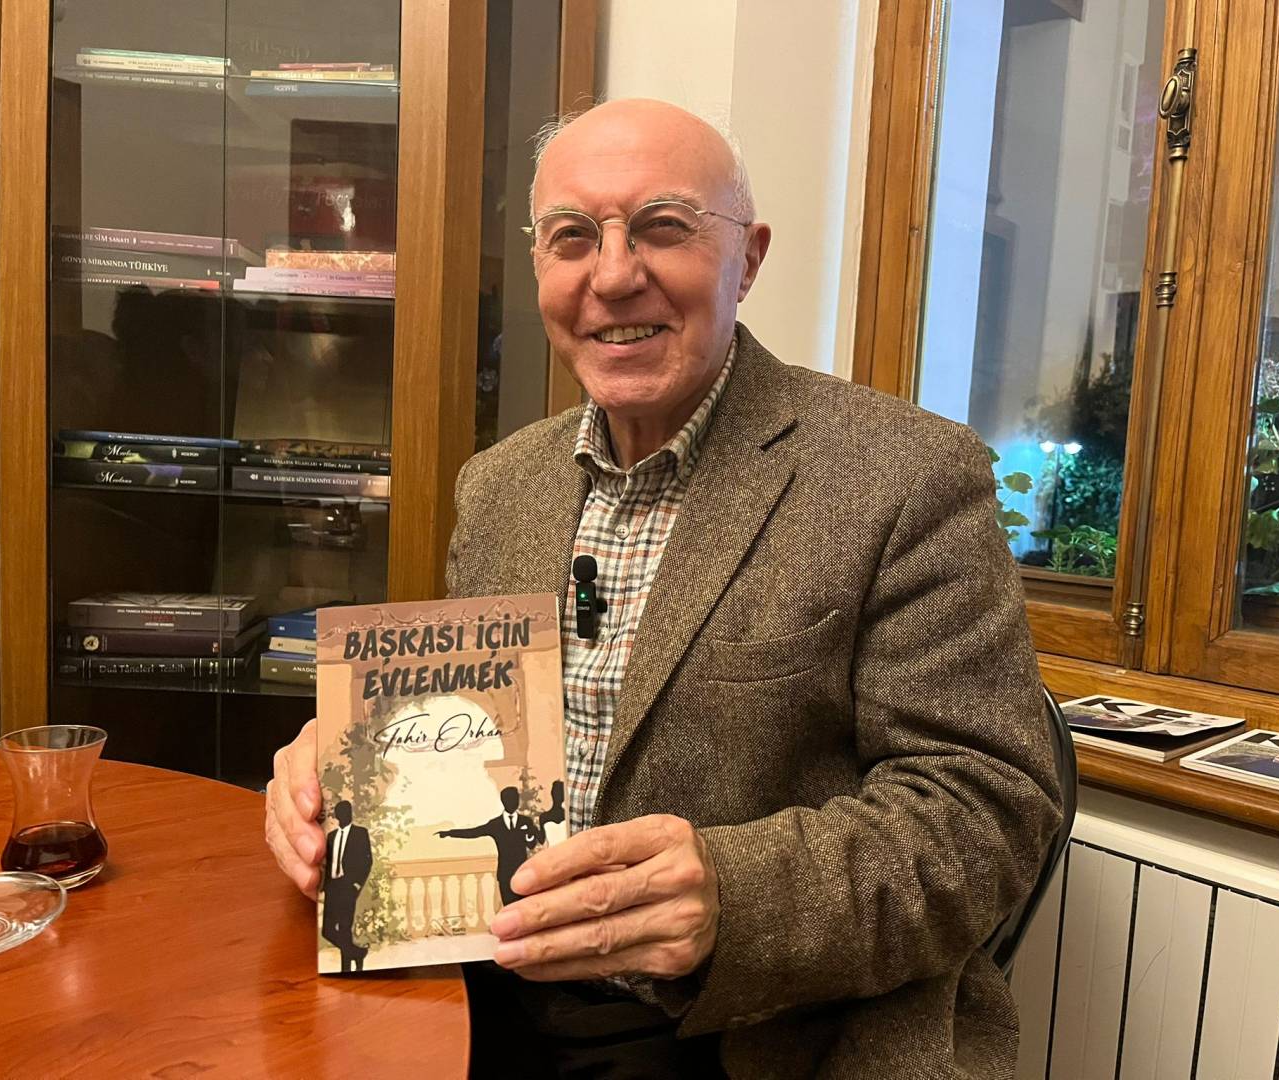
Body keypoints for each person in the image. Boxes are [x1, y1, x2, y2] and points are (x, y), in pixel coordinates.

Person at [266, 98, 1062, 1078]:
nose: (612, 275)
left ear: (748, 259)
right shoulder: (501, 486)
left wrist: (735, 897)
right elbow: (460, 733)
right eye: (573, 237)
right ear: (540, 265)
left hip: (751, 1028)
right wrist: (346, 767)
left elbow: (987, 814)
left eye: (663, 227)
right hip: (480, 983)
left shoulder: (907, 475)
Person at [437, 786, 541, 906]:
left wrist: (531, 836)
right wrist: (450, 833)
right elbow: (474, 832)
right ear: (503, 801)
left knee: (525, 907)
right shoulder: (495, 824)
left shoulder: (526, 821)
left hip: (523, 873)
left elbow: (531, 844)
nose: (514, 802)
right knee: (509, 908)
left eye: (515, 799)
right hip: (505, 874)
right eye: (510, 799)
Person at [321, 800, 372, 973]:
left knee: (344, 929)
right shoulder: (331, 836)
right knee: (327, 931)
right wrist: (325, 885)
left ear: (350, 814)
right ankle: (357, 953)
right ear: (337, 816)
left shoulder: (360, 833)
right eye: (341, 813)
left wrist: (357, 884)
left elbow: (367, 861)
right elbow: (328, 863)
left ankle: (346, 970)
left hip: (347, 886)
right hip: (332, 887)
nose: (344, 816)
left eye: (347, 812)